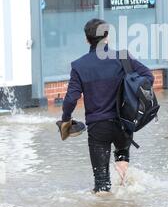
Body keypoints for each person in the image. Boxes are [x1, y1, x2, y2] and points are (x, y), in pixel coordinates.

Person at [60, 18, 154, 195]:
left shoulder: (79, 66)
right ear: (107, 37)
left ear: (87, 39)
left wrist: (66, 120)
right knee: (122, 159)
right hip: (124, 124)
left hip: (98, 128)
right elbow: (148, 77)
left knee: (101, 184)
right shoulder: (123, 57)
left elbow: (71, 99)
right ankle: (125, 205)